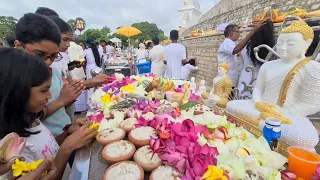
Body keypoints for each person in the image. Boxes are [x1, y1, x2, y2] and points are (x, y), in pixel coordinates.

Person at [0, 48, 97, 180]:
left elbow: (47, 149)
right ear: (16, 92)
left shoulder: (31, 121)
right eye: (44, 90)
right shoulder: (10, 149)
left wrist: (67, 133)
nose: (49, 96)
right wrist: (67, 147)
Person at [14, 13, 84, 139]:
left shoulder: (54, 71)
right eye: (40, 54)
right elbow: (28, 119)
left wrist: (70, 97)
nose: (47, 62)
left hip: (60, 137)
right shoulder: (12, 82)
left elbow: (63, 106)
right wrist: (62, 100)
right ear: (19, 46)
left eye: (53, 56)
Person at [218, 22, 264, 87]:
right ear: (232, 33)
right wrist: (253, 32)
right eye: (238, 32)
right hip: (225, 80)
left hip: (230, 79)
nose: (239, 34)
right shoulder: (226, 43)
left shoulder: (230, 44)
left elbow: (238, 52)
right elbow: (236, 49)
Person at [238, 20, 275, 97]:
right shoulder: (272, 50)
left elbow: (241, 65)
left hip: (244, 81)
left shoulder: (246, 48)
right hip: (260, 84)